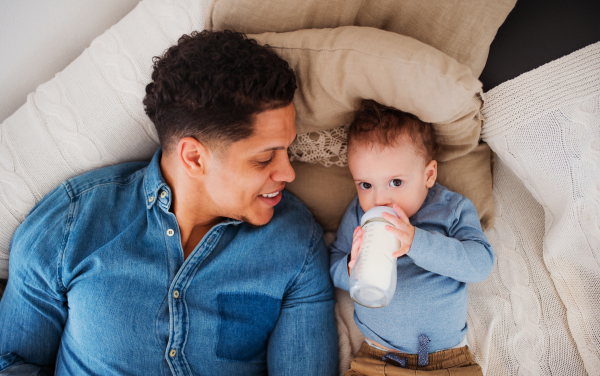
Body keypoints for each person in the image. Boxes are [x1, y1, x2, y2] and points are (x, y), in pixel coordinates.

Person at [0, 30, 338, 375]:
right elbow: (11, 362)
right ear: (194, 158)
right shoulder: (71, 223)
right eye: (265, 159)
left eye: (288, 150)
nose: (289, 173)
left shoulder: (295, 243)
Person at [329, 100, 494, 375]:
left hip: (448, 360)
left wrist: (417, 241)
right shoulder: (361, 213)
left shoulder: (451, 208)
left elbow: (480, 264)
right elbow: (335, 263)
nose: (379, 199)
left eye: (396, 182)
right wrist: (351, 264)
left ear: (428, 174)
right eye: (365, 185)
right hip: (378, 359)